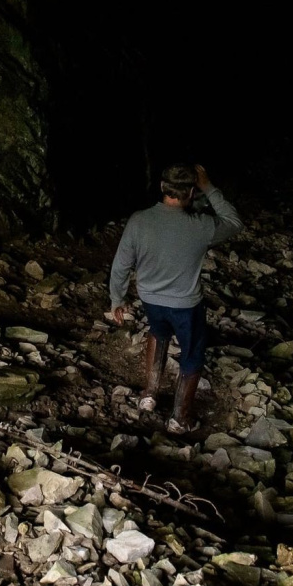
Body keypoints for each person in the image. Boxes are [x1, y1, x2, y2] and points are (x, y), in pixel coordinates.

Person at [108, 162, 243, 432]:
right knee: (192, 353)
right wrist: (210, 187)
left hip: (150, 299)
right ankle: (180, 418)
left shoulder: (139, 220)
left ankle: (149, 394)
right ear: (192, 192)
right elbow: (234, 222)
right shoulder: (203, 226)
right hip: (185, 304)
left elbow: (122, 263)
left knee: (158, 332)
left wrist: (117, 299)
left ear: (162, 187)